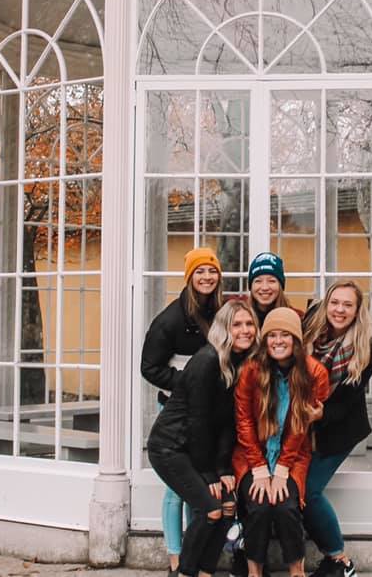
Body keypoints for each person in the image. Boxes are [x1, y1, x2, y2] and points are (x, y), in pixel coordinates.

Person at [148, 299, 261, 577]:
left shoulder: (240, 363)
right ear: (224, 329)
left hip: (196, 449)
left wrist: (223, 469)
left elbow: (226, 423)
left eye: (249, 324)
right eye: (237, 324)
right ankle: (184, 572)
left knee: (227, 507)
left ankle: (206, 572)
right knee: (210, 510)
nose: (245, 330)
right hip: (170, 448)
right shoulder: (207, 360)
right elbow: (198, 422)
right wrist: (210, 474)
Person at [141, 246, 225, 577]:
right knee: (177, 487)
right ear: (189, 277)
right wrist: (188, 383)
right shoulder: (170, 320)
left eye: (212, 271)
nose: (207, 277)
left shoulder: (221, 311)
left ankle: (196, 549)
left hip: (209, 410)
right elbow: (149, 367)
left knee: (199, 486)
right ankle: (176, 556)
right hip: (175, 409)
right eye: (200, 271)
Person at [233, 308, 329, 577]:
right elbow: (244, 422)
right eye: (272, 335)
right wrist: (259, 467)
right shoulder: (251, 370)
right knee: (259, 504)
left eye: (285, 335)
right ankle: (254, 572)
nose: (277, 341)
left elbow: (301, 425)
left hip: (293, 455)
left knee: (286, 506)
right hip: (252, 455)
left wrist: (283, 468)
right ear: (264, 341)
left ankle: (296, 572)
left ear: (296, 340)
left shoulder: (314, 372)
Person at [301, 281, 372, 577]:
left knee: (308, 491)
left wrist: (320, 414)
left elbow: (346, 401)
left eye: (348, 305)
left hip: (338, 427)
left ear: (357, 311)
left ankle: (340, 560)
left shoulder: (364, 349)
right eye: (335, 302)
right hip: (299, 423)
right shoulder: (310, 329)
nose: (339, 310)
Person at [247, 252, 293, 326]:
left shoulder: (294, 317)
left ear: (280, 285)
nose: (264, 287)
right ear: (251, 286)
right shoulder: (240, 318)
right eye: (258, 281)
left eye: (271, 281)